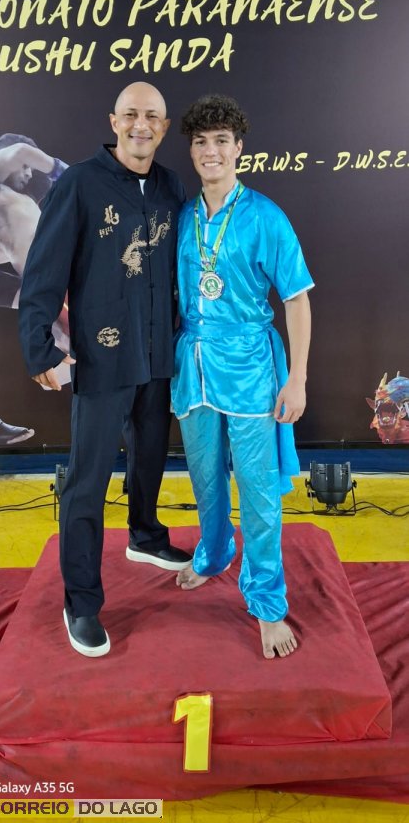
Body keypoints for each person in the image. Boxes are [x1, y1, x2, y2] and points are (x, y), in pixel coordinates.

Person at [18, 81, 192, 658]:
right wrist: (40, 349)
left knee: (150, 454)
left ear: (164, 127)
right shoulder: (78, 184)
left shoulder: (170, 186)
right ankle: (82, 602)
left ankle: (146, 535)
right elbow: (43, 270)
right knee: (87, 481)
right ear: (114, 121)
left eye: (153, 117)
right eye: (131, 115)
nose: (142, 125)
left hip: (157, 354)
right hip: (102, 354)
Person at [171, 94, 313, 660]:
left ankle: (267, 603)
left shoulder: (265, 216)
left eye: (221, 141)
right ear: (192, 150)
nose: (211, 151)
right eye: (201, 142)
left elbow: (297, 299)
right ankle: (212, 554)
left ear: (239, 149)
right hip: (193, 367)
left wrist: (297, 378)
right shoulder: (182, 217)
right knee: (205, 478)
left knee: (256, 490)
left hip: (252, 367)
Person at [0, 137, 65, 445]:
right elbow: (20, 151)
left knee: (42, 306)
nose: (29, 173)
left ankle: (67, 369)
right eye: (26, 168)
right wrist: (63, 172)